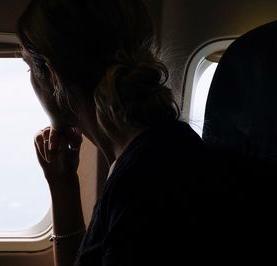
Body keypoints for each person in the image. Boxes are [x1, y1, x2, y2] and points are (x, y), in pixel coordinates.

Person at [17, 0, 214, 265]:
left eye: (30, 67)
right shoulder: (149, 153)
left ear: (52, 76)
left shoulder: (145, 185)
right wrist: (62, 184)